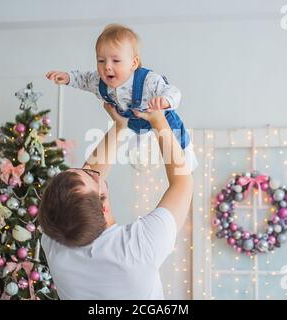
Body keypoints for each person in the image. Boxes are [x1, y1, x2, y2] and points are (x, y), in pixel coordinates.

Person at [39, 102, 193, 299]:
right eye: (91, 176)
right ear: (103, 207)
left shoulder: (55, 245)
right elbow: (183, 183)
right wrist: (159, 122)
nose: (93, 171)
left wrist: (119, 126)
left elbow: (85, 189)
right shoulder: (138, 246)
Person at [45, 23, 198, 171]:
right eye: (101, 60)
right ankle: (141, 154)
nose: (107, 66)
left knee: (178, 141)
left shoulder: (148, 81)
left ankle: (188, 158)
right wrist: (67, 77)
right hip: (132, 125)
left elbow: (174, 92)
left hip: (160, 116)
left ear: (133, 63)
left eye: (116, 60)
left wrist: (164, 101)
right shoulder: (98, 82)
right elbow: (83, 79)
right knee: (134, 152)